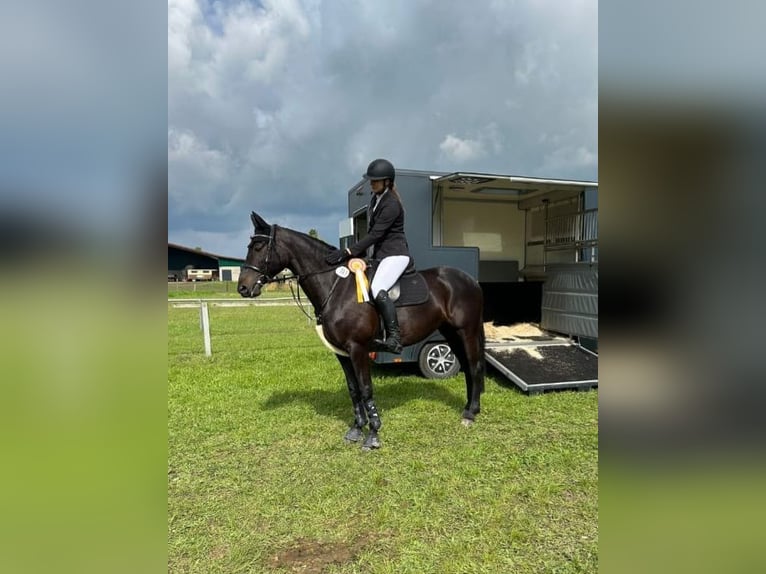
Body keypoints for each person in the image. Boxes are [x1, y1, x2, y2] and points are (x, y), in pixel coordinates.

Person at [325, 158, 411, 353]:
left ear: (387, 182)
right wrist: (354, 257)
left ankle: (394, 338)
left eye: (375, 180)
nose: (371, 183)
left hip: (396, 254)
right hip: (381, 255)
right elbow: (371, 235)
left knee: (378, 287)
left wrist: (347, 251)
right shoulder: (375, 200)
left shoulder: (391, 204)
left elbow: (375, 235)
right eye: (371, 180)